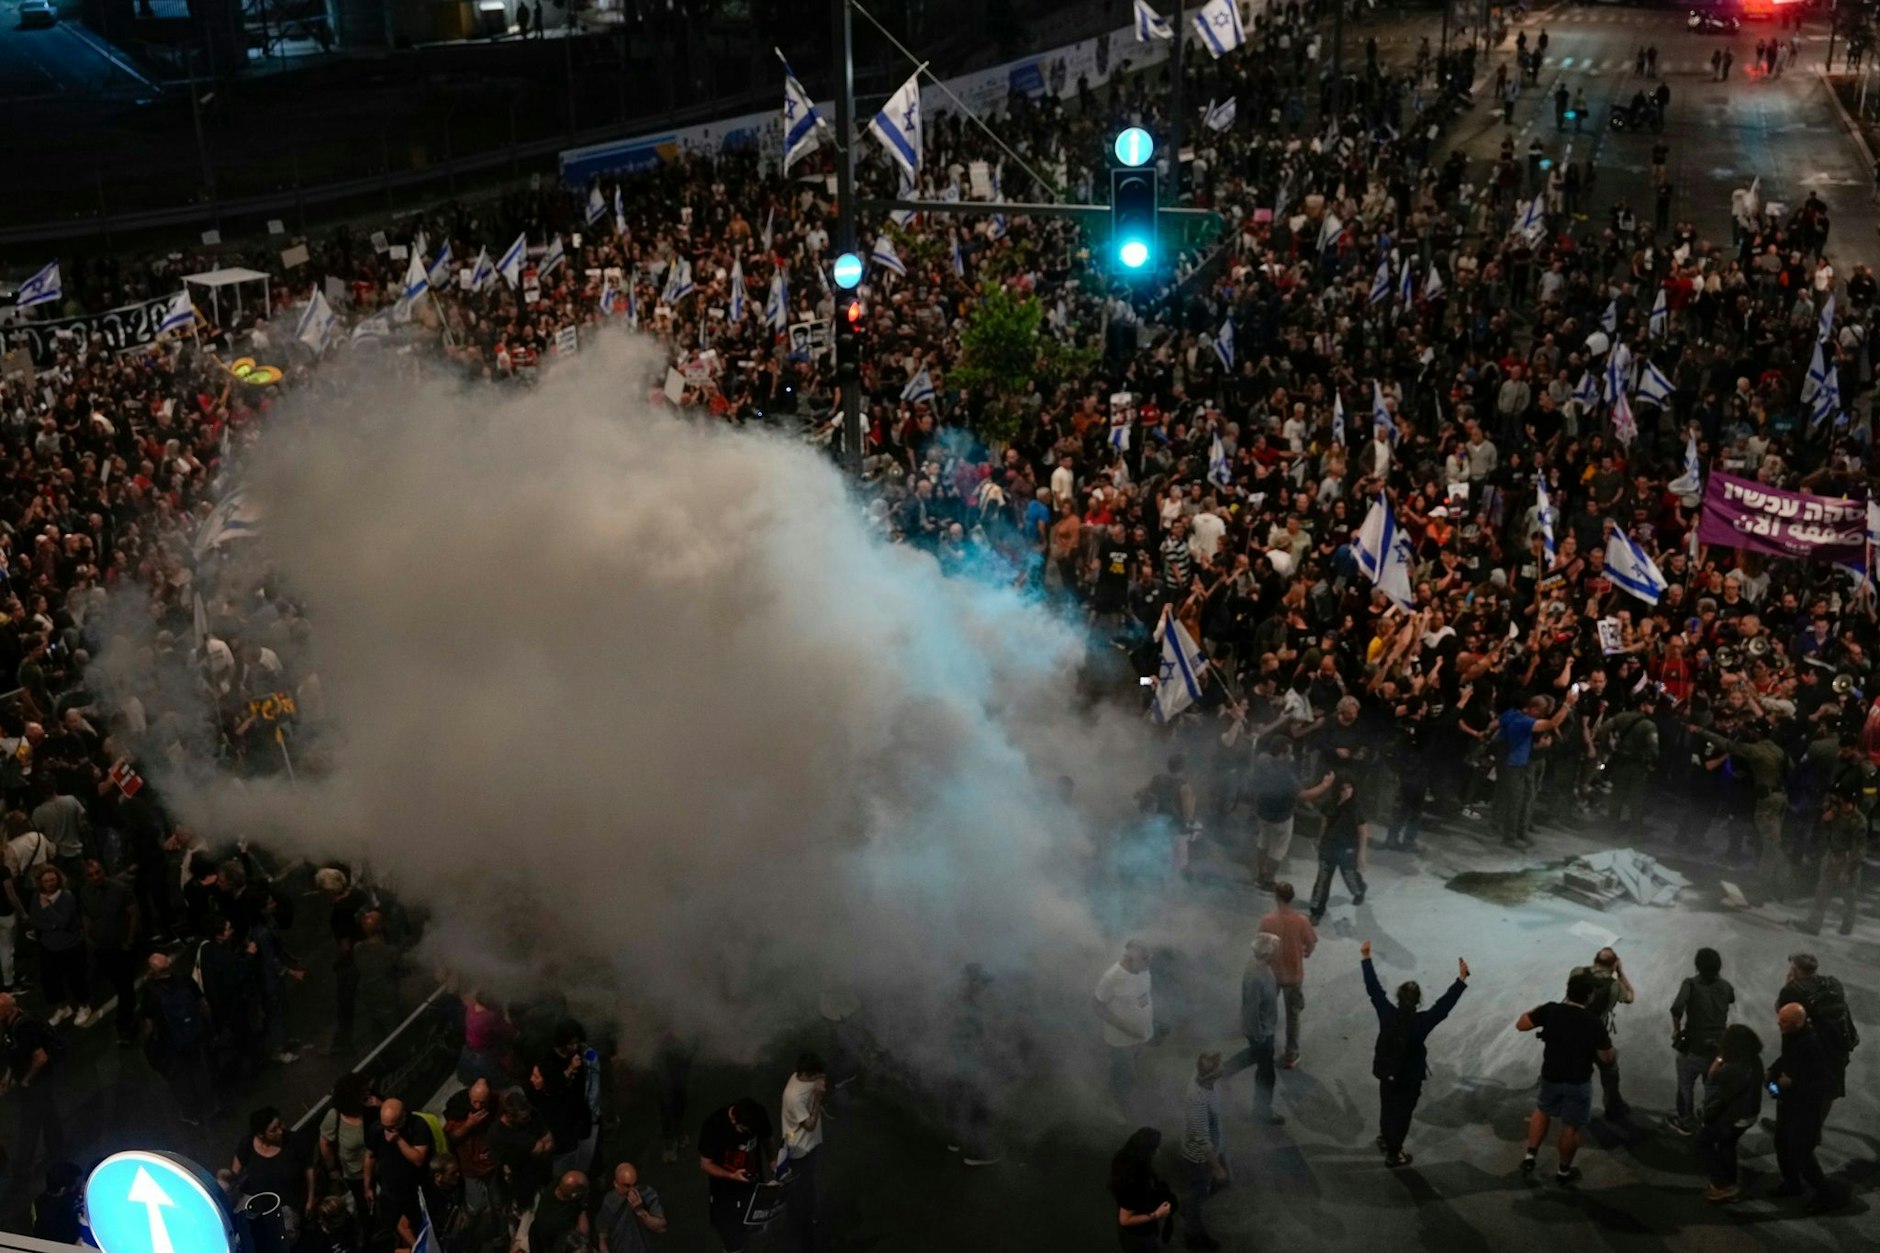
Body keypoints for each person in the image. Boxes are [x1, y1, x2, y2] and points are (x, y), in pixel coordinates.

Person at [1361, 942, 1469, 1166]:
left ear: (1398, 998)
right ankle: (1395, 1151)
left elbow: (1373, 989)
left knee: (1387, 1105)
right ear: (1418, 1002)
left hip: (1387, 1071)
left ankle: (1385, 1137)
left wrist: (1366, 958)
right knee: (1402, 1114)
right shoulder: (1422, 1023)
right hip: (1409, 1078)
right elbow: (1443, 1006)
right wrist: (1460, 980)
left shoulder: (1387, 1014)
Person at [1516, 973, 1615, 1185]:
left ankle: (1530, 1156)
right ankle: (1563, 1171)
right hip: (1578, 1081)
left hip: (1551, 1075)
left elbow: (1521, 1024)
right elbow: (1606, 1057)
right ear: (1589, 996)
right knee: (1571, 1126)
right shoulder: (1593, 1022)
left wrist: (1537, 1011)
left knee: (1542, 1111)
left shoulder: (1551, 1010)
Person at [1766, 1003, 1844, 1210]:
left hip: (1804, 1108)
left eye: (1784, 1022)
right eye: (1780, 1019)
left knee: (1800, 1152)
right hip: (1787, 1103)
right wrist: (1774, 1085)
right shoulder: (1793, 1036)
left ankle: (1827, 1195)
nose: (1779, 1024)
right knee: (1781, 1143)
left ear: (1798, 1023)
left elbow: (1824, 1082)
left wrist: (1791, 1083)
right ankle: (1792, 1184)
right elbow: (1783, 1062)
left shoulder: (1813, 1045)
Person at [1776, 951, 1859, 1119]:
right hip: (1839, 1046)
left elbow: (1783, 1013)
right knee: (1828, 1091)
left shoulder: (1792, 991)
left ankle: (1786, 1125)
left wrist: (1786, 985)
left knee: (1790, 1084)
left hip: (1809, 1050)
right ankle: (1816, 1129)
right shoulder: (1833, 983)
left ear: (1796, 970)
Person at [138, 951, 217, 1126]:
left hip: (171, 1043)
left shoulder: (151, 993)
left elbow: (149, 1025)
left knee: (180, 1079)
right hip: (194, 1036)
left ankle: (191, 1113)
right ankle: (210, 1105)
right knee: (199, 1070)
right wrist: (208, 1028)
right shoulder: (185, 982)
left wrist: (149, 1044)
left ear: (153, 971)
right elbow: (204, 1005)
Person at [1495, 691, 1579, 847]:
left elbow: (1495, 725)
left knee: (1516, 798)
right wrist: (1567, 705)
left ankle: (1516, 832)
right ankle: (1510, 837)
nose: (1542, 716)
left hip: (1511, 761)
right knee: (1515, 800)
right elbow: (1551, 724)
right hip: (1514, 764)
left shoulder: (1511, 714)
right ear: (1532, 709)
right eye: (1540, 712)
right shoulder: (1523, 721)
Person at [1245, 740, 1334, 888]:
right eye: (1289, 752)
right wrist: (1325, 785)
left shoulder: (1262, 762)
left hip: (1263, 811)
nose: (1291, 755)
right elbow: (1304, 795)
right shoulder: (1285, 774)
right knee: (1277, 850)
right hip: (1281, 817)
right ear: (1281, 754)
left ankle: (1260, 875)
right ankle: (1268, 880)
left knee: (1263, 843)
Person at [1666, 947, 1735, 1135]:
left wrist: (1677, 1030)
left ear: (1697, 966)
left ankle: (1685, 1121)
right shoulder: (1727, 986)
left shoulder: (1690, 984)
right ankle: (1709, 1120)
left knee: (1685, 1084)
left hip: (1694, 1047)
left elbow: (1677, 1008)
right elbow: (1730, 999)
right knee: (1712, 1086)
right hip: (1719, 1048)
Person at [1696, 1023, 1763, 1202]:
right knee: (1727, 1145)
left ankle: (1721, 1184)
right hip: (1750, 1115)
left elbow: (1712, 1077)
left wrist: (1719, 1058)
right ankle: (1731, 1182)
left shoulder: (1734, 1069)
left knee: (1704, 1143)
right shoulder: (1755, 1060)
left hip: (1734, 1117)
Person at [698, 1097, 772, 1253]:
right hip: (726, 1194)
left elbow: (766, 1139)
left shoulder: (757, 1117)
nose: (748, 1135)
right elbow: (705, 1164)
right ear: (733, 1119)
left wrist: (773, 1161)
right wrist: (731, 1175)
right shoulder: (714, 1126)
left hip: (753, 1185)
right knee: (732, 1237)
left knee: (757, 1228)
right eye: (744, 1131)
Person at [1568, 946, 1635, 1121]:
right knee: (1610, 1069)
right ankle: (1613, 1106)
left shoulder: (1577, 972)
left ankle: (1571, 1105)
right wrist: (1620, 973)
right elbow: (1629, 997)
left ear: (1594, 961)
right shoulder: (1614, 986)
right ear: (1614, 965)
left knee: (1574, 1069)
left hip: (1572, 1030)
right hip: (1597, 1034)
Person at [78, 856, 138, 1044]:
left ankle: (124, 1027)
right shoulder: (85, 893)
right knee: (116, 983)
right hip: (101, 948)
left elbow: (134, 914)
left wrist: (129, 941)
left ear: (104, 871)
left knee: (125, 988)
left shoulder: (120, 890)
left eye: (98, 872)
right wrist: (88, 938)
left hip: (121, 946)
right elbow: (87, 915)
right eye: (91, 875)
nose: (95, 877)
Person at [1224, 932, 1283, 1124]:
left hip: (1265, 1029)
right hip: (1261, 1031)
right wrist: (1259, 1036)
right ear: (1267, 954)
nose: (1278, 950)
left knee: (1254, 1056)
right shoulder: (1256, 977)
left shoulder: (1262, 966)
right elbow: (1251, 1012)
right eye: (1276, 947)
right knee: (1266, 1072)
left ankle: (1220, 1074)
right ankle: (1262, 1111)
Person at [0, 992, 63, 1168]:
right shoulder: (9, 1024)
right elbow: (14, 1051)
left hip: (38, 1081)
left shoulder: (24, 1027)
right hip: (31, 1080)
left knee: (32, 1122)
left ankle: (27, 1162)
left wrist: (27, 1080)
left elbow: (40, 1057)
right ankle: (56, 1151)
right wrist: (8, 1075)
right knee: (47, 1117)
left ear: (6, 1010)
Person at [1256, 883, 1316, 1067]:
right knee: (1293, 1016)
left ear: (1277, 897)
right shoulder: (1302, 921)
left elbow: (1259, 947)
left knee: (1267, 1012)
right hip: (1293, 975)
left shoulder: (1267, 920)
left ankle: (1264, 1047)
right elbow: (1311, 942)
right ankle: (1291, 1054)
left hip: (1272, 975)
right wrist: (1306, 952)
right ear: (1292, 897)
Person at [232, 1106, 315, 1235]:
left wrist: (310, 1199)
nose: (280, 1132)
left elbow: (309, 1169)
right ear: (261, 1134)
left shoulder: (294, 1141)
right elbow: (234, 1173)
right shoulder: (247, 1145)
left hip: (289, 1206)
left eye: (280, 1125)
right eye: (273, 1130)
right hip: (260, 1205)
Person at [1094, 939, 1154, 1111]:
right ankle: (1120, 1104)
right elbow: (1096, 1005)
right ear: (1130, 960)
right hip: (1121, 1040)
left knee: (1132, 1065)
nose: (1149, 962)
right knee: (1121, 1072)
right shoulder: (1111, 977)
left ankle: (1130, 1083)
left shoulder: (1142, 968)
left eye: (1149, 957)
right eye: (1145, 958)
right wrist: (1126, 1028)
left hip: (1141, 1034)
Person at [1177, 1052, 1228, 1251]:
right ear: (1211, 1075)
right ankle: (1193, 1235)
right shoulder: (1197, 1099)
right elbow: (1202, 1139)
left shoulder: (1204, 1080)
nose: (1222, 1072)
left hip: (1215, 1148)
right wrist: (1215, 1167)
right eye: (1219, 1071)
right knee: (1199, 1195)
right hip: (1200, 1158)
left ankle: (1189, 1204)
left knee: (1215, 1185)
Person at [28, 865, 90, 1027]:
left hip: (70, 945)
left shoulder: (66, 897)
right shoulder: (37, 897)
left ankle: (83, 1006)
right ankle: (62, 1007)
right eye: (46, 881)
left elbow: (63, 922)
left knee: (75, 978)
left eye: (53, 880)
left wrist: (48, 908)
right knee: (51, 981)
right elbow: (34, 919)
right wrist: (52, 925)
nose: (50, 884)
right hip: (49, 946)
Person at [366, 1096, 432, 1241]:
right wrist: (368, 1186)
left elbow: (418, 1159)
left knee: (418, 1225)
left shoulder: (417, 1126)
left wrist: (398, 1140)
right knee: (396, 1227)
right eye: (385, 1127)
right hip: (390, 1190)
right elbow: (370, 1156)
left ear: (403, 1118)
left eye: (392, 1127)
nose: (387, 1131)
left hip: (415, 1189)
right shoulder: (377, 1129)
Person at [1801, 784, 1865, 934]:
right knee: (1821, 891)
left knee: (1848, 895)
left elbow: (1858, 850)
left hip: (1847, 861)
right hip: (1832, 857)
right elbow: (1826, 830)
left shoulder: (1858, 821)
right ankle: (1813, 925)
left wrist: (1848, 871)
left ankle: (1847, 926)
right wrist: (1826, 820)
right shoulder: (1835, 813)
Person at [779, 1052, 826, 1252]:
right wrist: (817, 1097)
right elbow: (809, 1124)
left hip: (808, 1144)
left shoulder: (800, 1077)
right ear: (807, 1074)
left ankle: (806, 1216)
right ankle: (801, 1230)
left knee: (808, 1186)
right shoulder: (794, 1096)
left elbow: (822, 1078)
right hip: (800, 1148)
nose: (820, 1078)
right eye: (817, 1075)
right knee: (801, 1190)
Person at [1307, 773, 1367, 924]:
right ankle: (1316, 911)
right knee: (1322, 880)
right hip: (1328, 847)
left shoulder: (1356, 807)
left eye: (1349, 787)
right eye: (1343, 788)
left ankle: (1359, 890)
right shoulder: (1330, 804)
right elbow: (1324, 823)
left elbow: (1363, 831)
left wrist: (1361, 855)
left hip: (1347, 849)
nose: (1347, 791)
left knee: (1349, 876)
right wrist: (1319, 840)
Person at [1109, 1127, 1175, 1252]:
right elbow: (1125, 1220)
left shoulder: (1123, 1159)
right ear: (1147, 1151)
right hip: (1138, 1235)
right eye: (1155, 1148)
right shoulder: (1134, 1180)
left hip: (1133, 1233)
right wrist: (1156, 1214)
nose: (1158, 1151)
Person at [597, 1161, 667, 1253]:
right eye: (627, 1186)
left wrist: (640, 1211)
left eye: (635, 1184)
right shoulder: (610, 1200)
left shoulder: (647, 1194)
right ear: (616, 1184)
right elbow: (603, 1229)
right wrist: (603, 1247)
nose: (632, 1190)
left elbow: (661, 1227)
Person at [529, 1170, 590, 1253]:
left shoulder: (557, 1185)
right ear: (574, 1195)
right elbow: (583, 1234)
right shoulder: (558, 1220)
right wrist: (583, 1207)